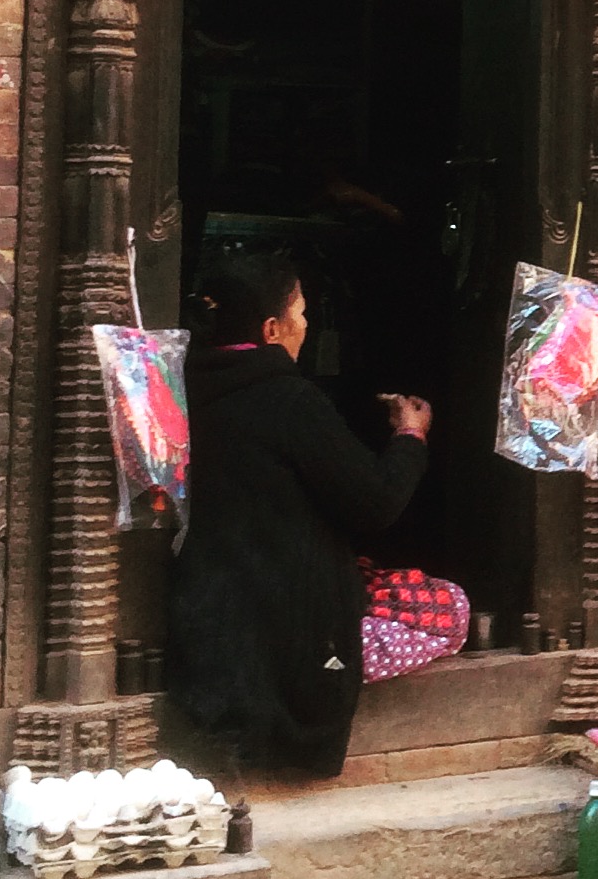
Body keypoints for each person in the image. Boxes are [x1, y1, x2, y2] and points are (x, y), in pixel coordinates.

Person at [168, 249, 469, 777]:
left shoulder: (180, 392)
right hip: (291, 640)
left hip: (206, 631)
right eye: (301, 313)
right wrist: (410, 434)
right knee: (450, 607)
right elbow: (376, 502)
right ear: (271, 328)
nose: (306, 324)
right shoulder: (289, 400)